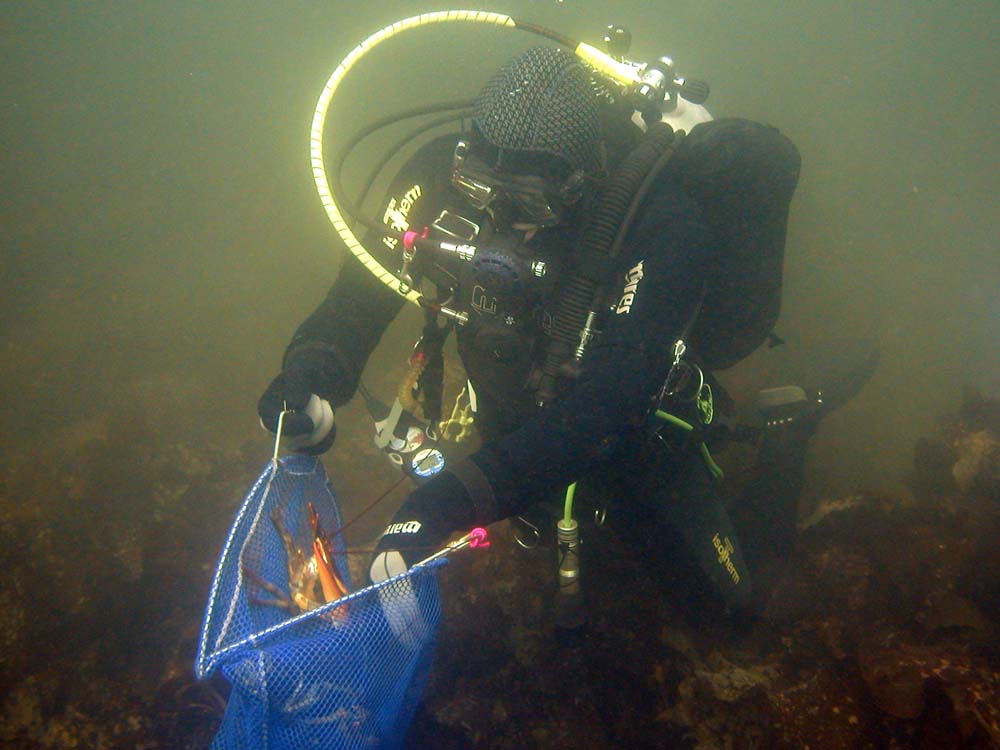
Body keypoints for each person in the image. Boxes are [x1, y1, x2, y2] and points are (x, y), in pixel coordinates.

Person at [258, 46, 874, 619]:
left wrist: (448, 500)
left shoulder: (660, 223)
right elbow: (361, 289)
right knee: (535, 516)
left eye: (527, 203)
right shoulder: (438, 175)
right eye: (480, 191)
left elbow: (612, 399)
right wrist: (312, 373)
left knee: (726, 609)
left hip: (633, 433)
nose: (497, 221)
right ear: (463, 161)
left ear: (577, 187)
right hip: (517, 408)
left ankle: (790, 431)